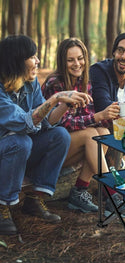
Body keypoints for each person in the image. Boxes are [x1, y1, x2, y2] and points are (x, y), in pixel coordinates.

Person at [0, 35, 91, 235]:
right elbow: (24, 122)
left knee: (60, 135)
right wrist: (55, 97)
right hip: (5, 151)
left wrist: (64, 103)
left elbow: (46, 121)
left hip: (21, 150)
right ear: (16, 61)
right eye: (32, 57)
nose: (38, 61)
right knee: (21, 142)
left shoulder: (29, 83)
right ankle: (3, 206)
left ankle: (34, 200)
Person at [42, 38, 125, 218]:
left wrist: (111, 117)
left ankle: (79, 191)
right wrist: (98, 116)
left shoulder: (84, 82)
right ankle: (113, 194)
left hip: (73, 148)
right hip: (51, 150)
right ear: (62, 61)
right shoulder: (55, 83)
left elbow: (88, 119)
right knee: (91, 136)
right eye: (71, 60)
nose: (77, 64)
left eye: (80, 58)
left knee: (102, 133)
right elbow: (63, 123)